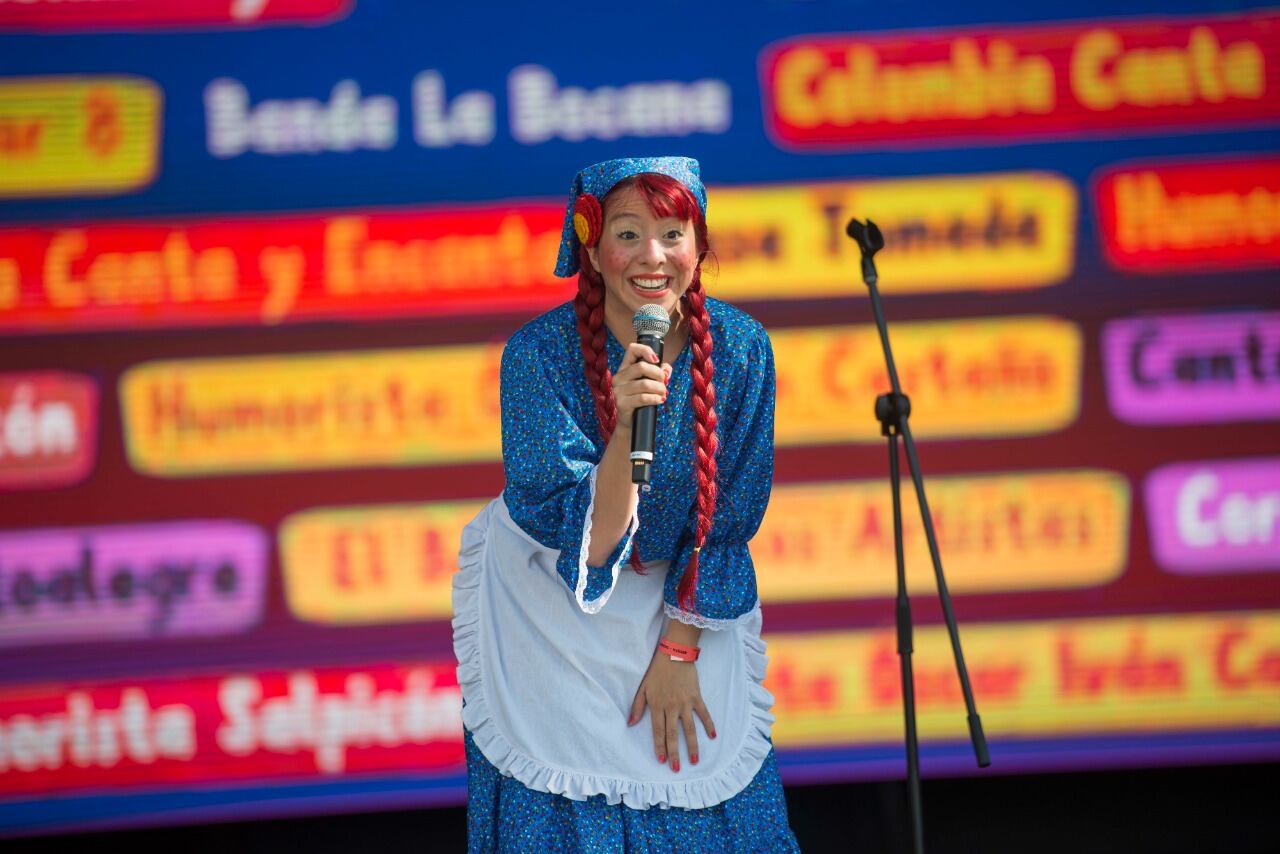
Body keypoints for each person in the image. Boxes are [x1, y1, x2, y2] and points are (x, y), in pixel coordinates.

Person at [453, 156, 799, 852]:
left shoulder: (742, 351)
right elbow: (582, 538)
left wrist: (677, 652)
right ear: (591, 246)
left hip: (688, 604)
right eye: (629, 233)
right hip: (555, 610)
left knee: (710, 802)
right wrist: (628, 424)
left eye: (673, 234)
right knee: (564, 813)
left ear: (700, 245)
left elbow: (727, 523)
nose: (653, 257)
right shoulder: (537, 355)